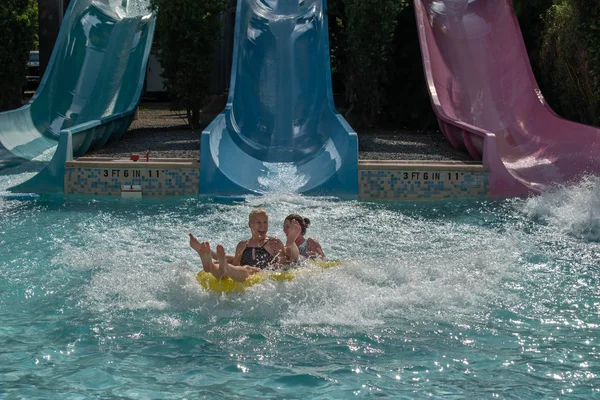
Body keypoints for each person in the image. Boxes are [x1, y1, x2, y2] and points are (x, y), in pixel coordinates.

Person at [189, 209, 301, 282]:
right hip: (241, 273)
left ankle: (222, 266)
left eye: (265, 222)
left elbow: (282, 264)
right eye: (258, 223)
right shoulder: (243, 245)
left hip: (261, 274)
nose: (263, 226)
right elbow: (237, 263)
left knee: (247, 268)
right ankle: (210, 265)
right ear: (250, 225)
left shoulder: (274, 242)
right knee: (223, 266)